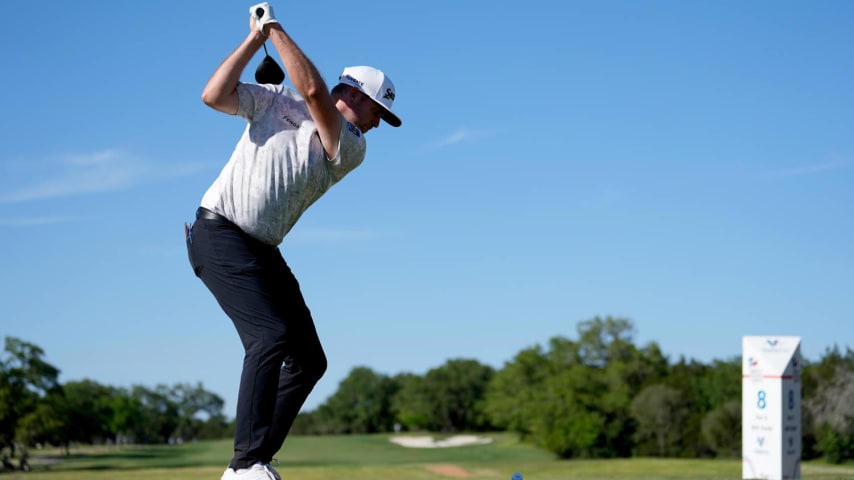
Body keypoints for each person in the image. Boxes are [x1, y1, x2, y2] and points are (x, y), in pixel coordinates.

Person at [185, 3, 401, 480]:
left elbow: (312, 90)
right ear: (354, 94)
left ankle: (253, 458)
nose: (376, 124)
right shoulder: (274, 97)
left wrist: (274, 27)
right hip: (218, 233)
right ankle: (245, 467)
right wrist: (255, 41)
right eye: (377, 110)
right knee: (270, 336)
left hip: (260, 249)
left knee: (308, 359)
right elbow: (212, 95)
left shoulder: (350, 145)